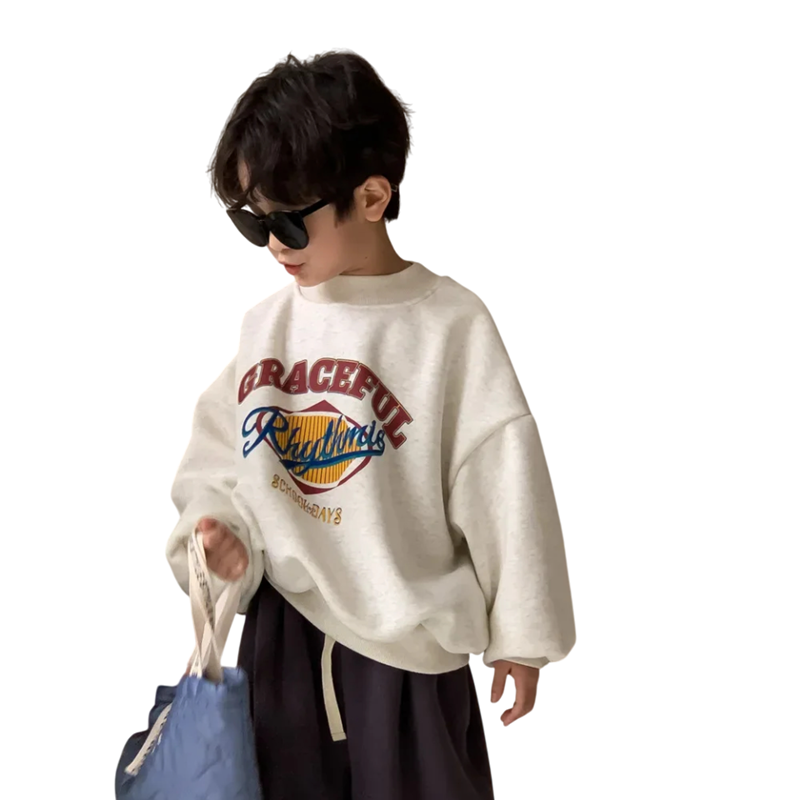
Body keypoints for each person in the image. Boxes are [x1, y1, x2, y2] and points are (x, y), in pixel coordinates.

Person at [166, 49, 576, 800]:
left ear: (372, 196)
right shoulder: (266, 328)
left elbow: (500, 475)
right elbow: (221, 464)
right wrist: (217, 536)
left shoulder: (448, 326)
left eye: (289, 220)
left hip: (408, 655)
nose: (274, 243)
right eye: (252, 222)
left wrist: (523, 632)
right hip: (281, 645)